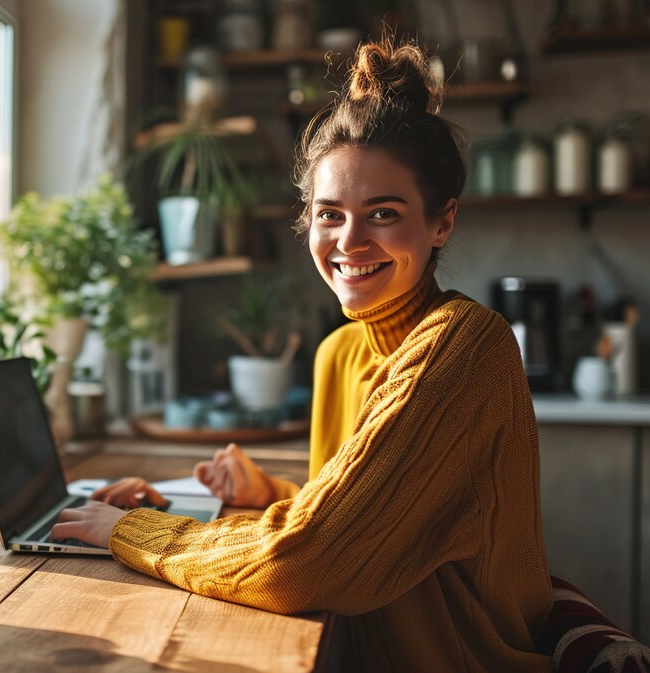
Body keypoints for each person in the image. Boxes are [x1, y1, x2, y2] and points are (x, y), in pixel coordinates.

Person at [52, 37, 553, 672]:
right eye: (329, 214)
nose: (350, 240)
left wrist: (130, 532)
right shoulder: (339, 352)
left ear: (442, 222)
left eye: (384, 213)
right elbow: (371, 516)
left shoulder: (466, 344)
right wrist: (271, 495)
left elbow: (310, 561)